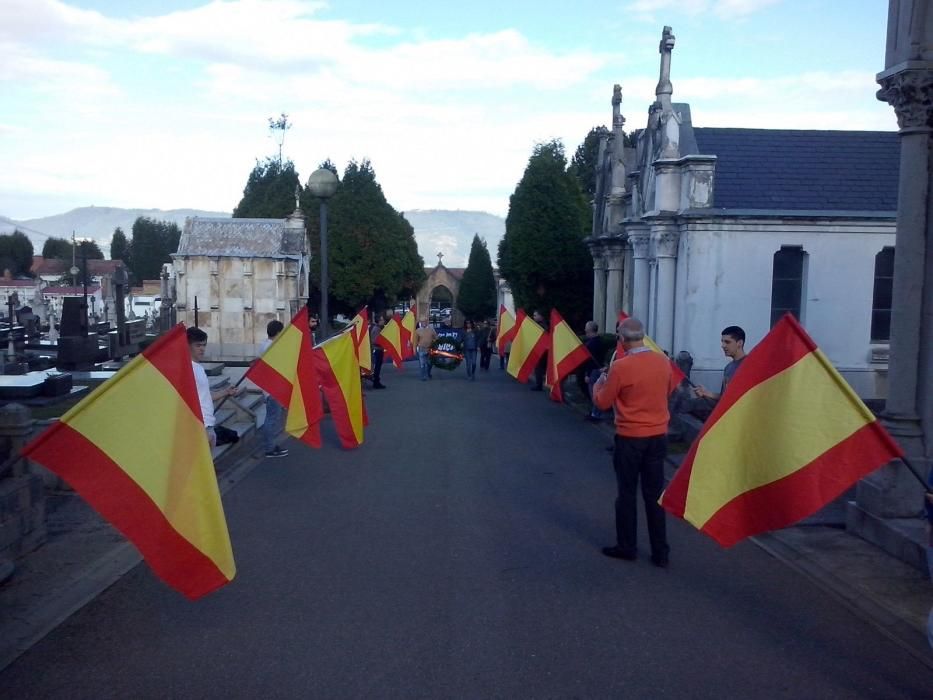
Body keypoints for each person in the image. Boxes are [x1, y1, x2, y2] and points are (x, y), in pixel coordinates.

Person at [594, 316, 675, 567]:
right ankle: (660, 552)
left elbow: (603, 402)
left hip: (630, 437)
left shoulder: (620, 367)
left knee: (627, 494)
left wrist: (599, 383)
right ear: (642, 336)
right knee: (654, 495)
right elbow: (668, 390)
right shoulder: (663, 361)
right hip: (658, 435)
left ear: (621, 339)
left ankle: (627, 546)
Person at [187, 326, 238, 449]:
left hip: (208, 424)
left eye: (204, 345)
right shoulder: (187, 370)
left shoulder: (198, 368)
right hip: (200, 426)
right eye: (198, 345)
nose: (202, 349)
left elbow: (204, 396)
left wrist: (225, 392)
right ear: (188, 346)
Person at [257, 320, 289, 458]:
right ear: (277, 332)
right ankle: (269, 448)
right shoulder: (272, 347)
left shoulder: (265, 344)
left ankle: (271, 444)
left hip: (270, 388)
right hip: (273, 389)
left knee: (272, 418)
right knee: (272, 418)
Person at [694, 325, 747, 401]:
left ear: (740, 343)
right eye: (722, 342)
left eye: (727, 342)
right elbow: (724, 397)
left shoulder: (750, 365)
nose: (723, 346)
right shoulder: (728, 368)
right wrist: (706, 393)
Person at [579, 321, 607, 422]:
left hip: (593, 371)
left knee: (594, 393)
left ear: (590, 329)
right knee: (596, 392)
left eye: (586, 327)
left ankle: (596, 414)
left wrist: (587, 374)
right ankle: (594, 413)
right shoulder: (600, 341)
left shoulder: (591, 344)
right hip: (599, 369)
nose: (585, 329)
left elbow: (590, 361)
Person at [531, 309, 549, 391]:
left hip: (542, 350)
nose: (533, 317)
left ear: (540, 316)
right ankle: (540, 384)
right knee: (540, 368)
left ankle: (539, 385)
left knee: (538, 367)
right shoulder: (542, 325)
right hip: (542, 350)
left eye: (535, 315)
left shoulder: (542, 326)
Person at [370, 314, 386, 389]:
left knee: (378, 367)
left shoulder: (378, 328)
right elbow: (376, 341)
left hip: (378, 350)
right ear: (378, 321)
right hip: (377, 350)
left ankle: (376, 381)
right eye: (382, 320)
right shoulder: (376, 329)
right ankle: (376, 382)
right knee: (377, 367)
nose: (383, 321)